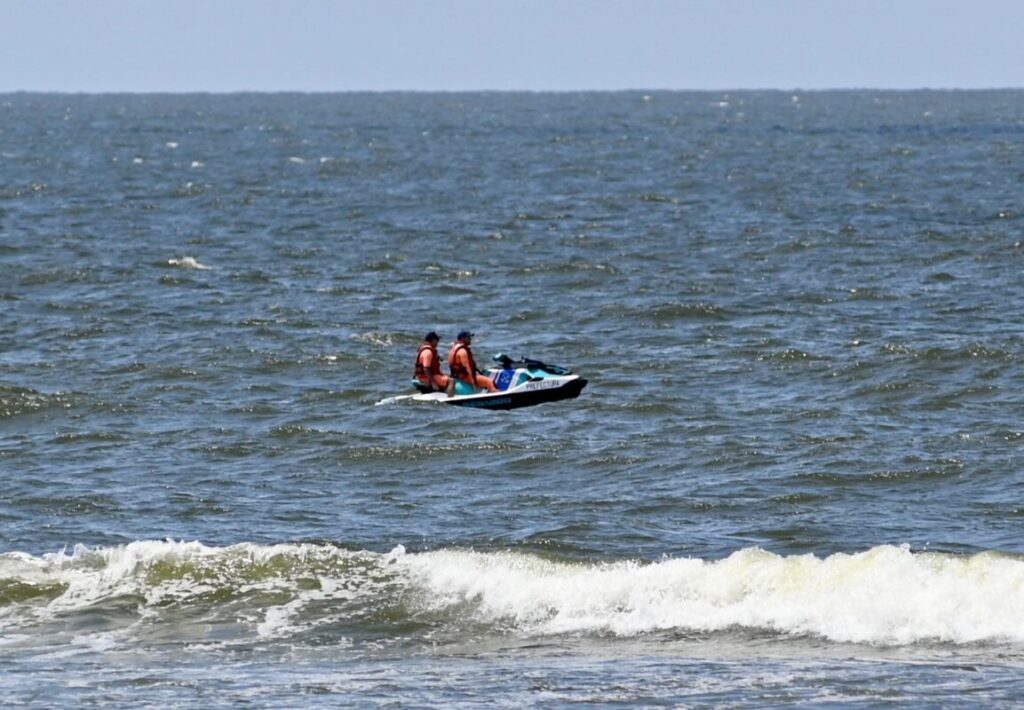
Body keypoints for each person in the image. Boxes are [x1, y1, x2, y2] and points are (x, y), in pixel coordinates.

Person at [414, 332, 454, 396]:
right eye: (437, 340)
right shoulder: (428, 352)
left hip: (428, 375)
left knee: (448, 376)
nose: (438, 342)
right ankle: (451, 398)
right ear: (433, 340)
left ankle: (444, 393)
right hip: (426, 377)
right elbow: (426, 369)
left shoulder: (428, 349)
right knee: (451, 381)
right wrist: (433, 383)